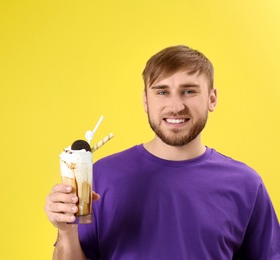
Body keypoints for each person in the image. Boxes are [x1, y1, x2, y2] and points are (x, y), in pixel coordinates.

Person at [44, 45, 280, 259]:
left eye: (189, 91)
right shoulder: (100, 177)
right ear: (145, 100)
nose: (176, 106)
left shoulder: (246, 185)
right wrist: (66, 231)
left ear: (212, 98)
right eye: (162, 92)